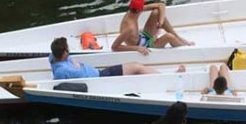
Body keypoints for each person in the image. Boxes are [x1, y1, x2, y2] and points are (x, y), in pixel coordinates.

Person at [49, 37, 184, 79]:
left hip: (100, 73)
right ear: (65, 52)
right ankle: (170, 77)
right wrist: (75, 65)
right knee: (137, 67)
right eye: (68, 49)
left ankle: (165, 75)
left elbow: (58, 57)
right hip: (101, 78)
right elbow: (64, 79)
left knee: (136, 66)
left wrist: (72, 61)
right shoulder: (63, 70)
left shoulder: (55, 58)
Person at [111, 0, 194, 54]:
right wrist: (137, 48)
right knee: (169, 36)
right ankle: (183, 47)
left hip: (143, 37)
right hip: (146, 45)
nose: (144, 6)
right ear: (139, 9)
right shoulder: (129, 27)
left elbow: (161, 5)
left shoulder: (133, 10)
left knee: (156, 12)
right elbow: (114, 47)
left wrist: (160, 21)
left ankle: (179, 38)